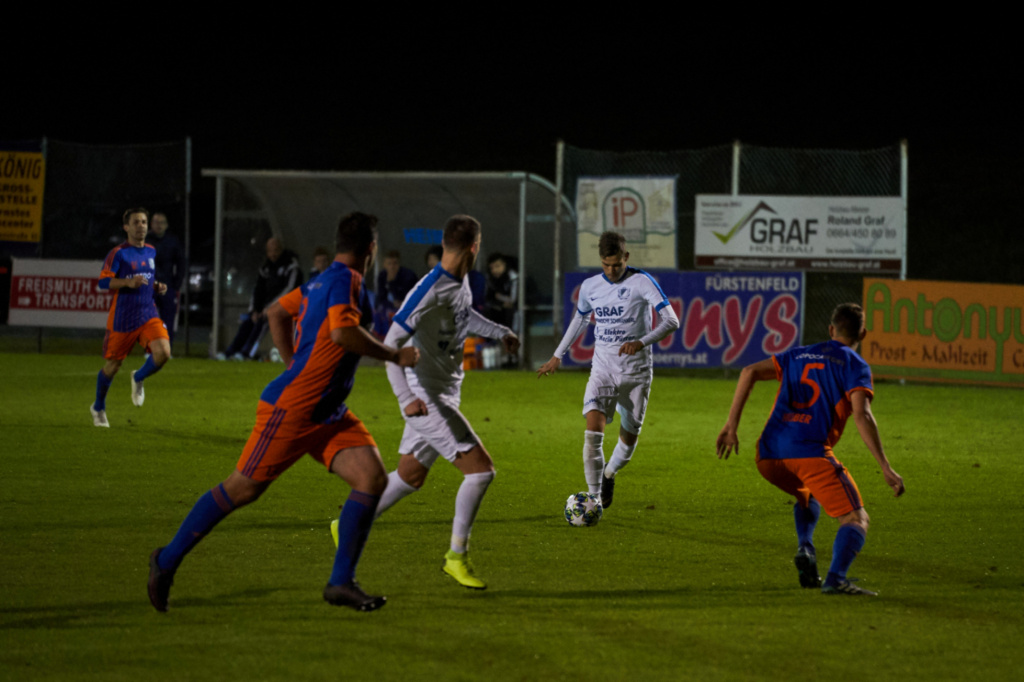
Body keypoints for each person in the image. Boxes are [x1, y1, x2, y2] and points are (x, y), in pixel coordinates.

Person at [148, 212, 420, 613]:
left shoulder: (321, 280)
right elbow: (342, 333)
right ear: (371, 248)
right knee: (242, 488)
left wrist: (295, 364)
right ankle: (166, 560)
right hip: (294, 409)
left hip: (327, 412)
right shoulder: (346, 280)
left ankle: (340, 582)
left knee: (371, 478)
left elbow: (277, 312)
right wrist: (394, 355)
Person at [336, 215, 518, 591]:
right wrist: (406, 398)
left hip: (445, 390)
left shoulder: (459, 281)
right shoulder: (429, 290)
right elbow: (391, 345)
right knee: (480, 472)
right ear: (474, 247)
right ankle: (456, 557)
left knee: (409, 476)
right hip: (426, 396)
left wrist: (499, 332)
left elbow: (462, 317)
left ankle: (347, 524)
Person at [715, 303, 905, 596]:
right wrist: (885, 466)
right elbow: (862, 415)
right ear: (863, 334)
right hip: (808, 453)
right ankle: (836, 579)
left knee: (808, 492)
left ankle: (806, 547)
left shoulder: (798, 354)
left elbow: (749, 371)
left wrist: (731, 425)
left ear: (831, 330)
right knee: (856, 519)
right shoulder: (855, 365)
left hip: (767, 455)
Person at [537, 231, 679, 510]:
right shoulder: (590, 286)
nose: (611, 270)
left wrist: (641, 342)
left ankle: (610, 472)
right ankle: (594, 500)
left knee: (628, 442)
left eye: (617, 264)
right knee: (593, 433)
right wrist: (557, 355)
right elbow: (580, 320)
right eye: (606, 265)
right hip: (602, 369)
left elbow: (671, 320)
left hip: (636, 374)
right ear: (600, 260)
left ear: (626, 257)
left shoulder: (642, 281)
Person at [90, 208, 172, 428]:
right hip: (123, 318)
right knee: (113, 366)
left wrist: (156, 286)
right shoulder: (118, 253)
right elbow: (103, 282)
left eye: (144, 222)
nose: (141, 226)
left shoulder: (151, 251)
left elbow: (146, 279)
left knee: (163, 352)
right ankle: (98, 407)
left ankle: (138, 377)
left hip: (148, 314)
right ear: (126, 227)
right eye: (136, 222)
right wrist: (127, 282)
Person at [217, 237, 303, 360]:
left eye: (276, 250)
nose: (273, 254)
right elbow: (258, 290)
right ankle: (230, 352)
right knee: (248, 321)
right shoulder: (265, 268)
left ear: (281, 250)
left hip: (284, 309)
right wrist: (254, 310)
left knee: (264, 322)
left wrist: (271, 308)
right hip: (265, 308)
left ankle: (246, 353)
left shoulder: (291, 266)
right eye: (270, 251)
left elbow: (290, 290)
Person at [148, 212, 187, 346]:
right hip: (149, 286)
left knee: (168, 319)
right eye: (156, 222)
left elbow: (181, 263)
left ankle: (166, 348)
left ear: (166, 225)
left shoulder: (172, 242)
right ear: (151, 224)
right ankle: (150, 349)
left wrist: (176, 283)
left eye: (162, 223)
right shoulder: (144, 241)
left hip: (167, 285)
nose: (159, 225)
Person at [373, 250, 418, 337]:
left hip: (407, 308)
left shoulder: (408, 276)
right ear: (384, 264)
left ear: (399, 264)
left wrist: (392, 283)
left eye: (395, 263)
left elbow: (412, 297)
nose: (392, 267)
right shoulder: (382, 275)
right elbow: (380, 297)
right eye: (389, 264)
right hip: (391, 307)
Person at [484, 253, 518, 330]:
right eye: (491, 268)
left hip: (514, 309)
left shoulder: (513, 277)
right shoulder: (490, 278)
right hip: (499, 307)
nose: (494, 270)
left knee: (510, 312)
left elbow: (514, 299)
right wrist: (500, 303)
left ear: (505, 265)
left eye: (497, 266)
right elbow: (488, 297)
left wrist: (500, 297)